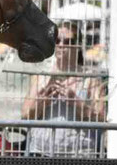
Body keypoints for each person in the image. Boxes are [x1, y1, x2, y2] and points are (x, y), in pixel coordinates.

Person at [21, 21, 107, 156]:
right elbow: (25, 115)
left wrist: (77, 104)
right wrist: (42, 102)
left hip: (80, 154)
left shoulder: (90, 78)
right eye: (57, 40)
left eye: (68, 41)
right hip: (41, 152)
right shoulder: (41, 77)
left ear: (78, 45)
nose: (61, 45)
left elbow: (101, 118)